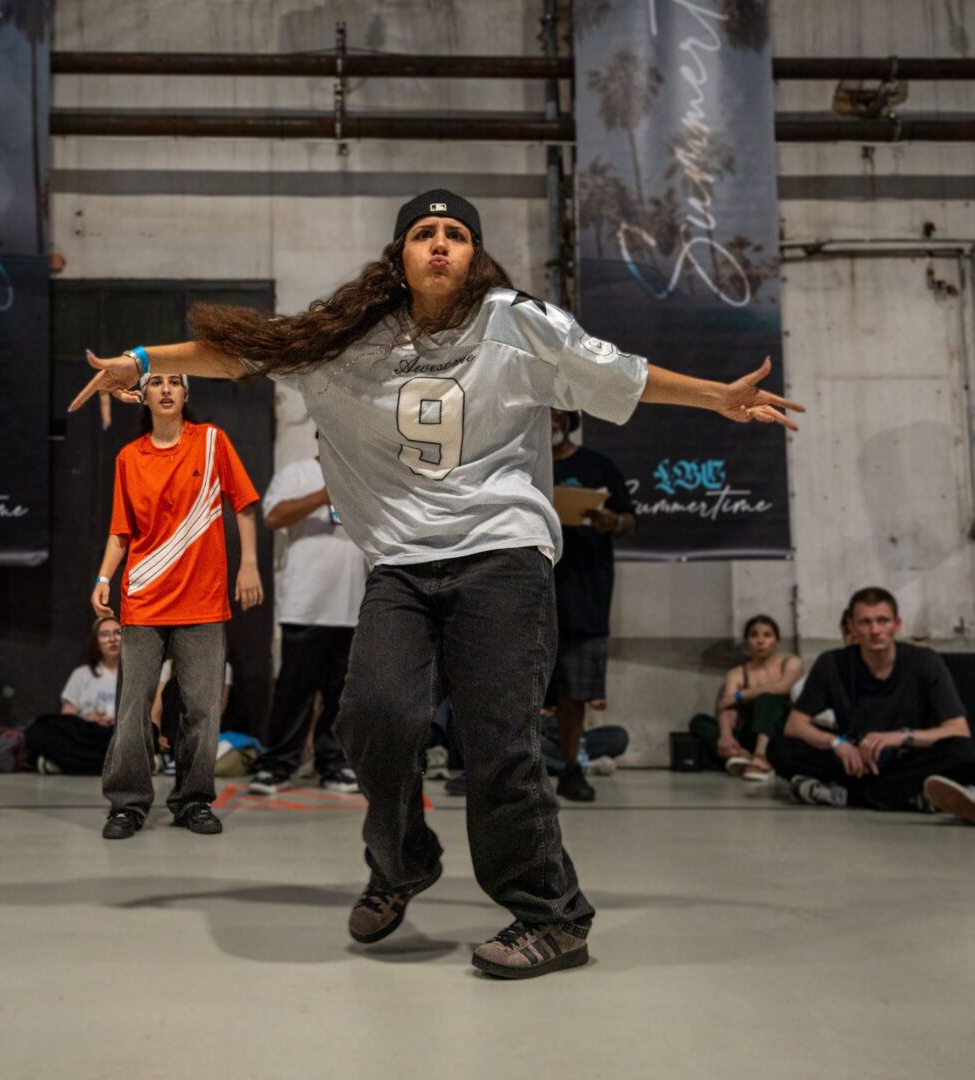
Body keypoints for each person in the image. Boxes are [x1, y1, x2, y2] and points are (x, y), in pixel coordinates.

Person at [70, 188, 802, 978]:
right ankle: (402, 863)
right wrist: (141, 362)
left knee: (497, 740)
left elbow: (616, 373)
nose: (441, 244)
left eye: (456, 233)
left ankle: (552, 916)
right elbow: (246, 354)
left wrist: (716, 396)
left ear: (475, 254)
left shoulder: (516, 322)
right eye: (425, 233)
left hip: (504, 553)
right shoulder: (349, 339)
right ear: (401, 255)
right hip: (403, 564)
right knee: (374, 718)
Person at [92, 371, 264, 840]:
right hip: (144, 599)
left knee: (202, 709)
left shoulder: (211, 442)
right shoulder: (130, 457)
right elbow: (120, 531)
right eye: (157, 383)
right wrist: (103, 578)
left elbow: (244, 503)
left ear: (186, 394)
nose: (166, 389)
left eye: (174, 382)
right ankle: (127, 804)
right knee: (133, 708)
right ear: (143, 396)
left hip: (203, 599)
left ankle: (193, 800)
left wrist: (249, 564)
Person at [766, 586, 975, 812]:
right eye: (865, 622)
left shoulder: (925, 661)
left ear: (896, 624)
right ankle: (902, 796)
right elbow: (795, 725)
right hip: (854, 762)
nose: (875, 630)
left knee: (962, 750)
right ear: (852, 627)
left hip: (908, 758)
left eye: (882, 621)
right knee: (779, 748)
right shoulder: (832, 663)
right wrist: (837, 744)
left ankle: (850, 796)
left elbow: (958, 730)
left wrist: (901, 737)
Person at [247, 452, 366, 795]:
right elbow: (273, 516)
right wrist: (323, 495)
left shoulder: (362, 473)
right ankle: (277, 765)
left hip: (352, 603)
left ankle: (334, 765)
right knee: (294, 692)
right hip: (305, 604)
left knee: (341, 696)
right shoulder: (297, 473)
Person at [548, 407, 636, 801]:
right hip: (529, 590)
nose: (551, 422)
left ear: (570, 420)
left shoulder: (598, 466)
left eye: (558, 415)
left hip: (584, 594)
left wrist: (611, 521)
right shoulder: (520, 463)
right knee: (518, 690)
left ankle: (571, 768)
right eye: (545, 413)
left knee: (575, 692)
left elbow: (630, 520)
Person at [689, 615, 803, 782]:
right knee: (699, 722)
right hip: (750, 735)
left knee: (767, 699)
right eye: (754, 635)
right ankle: (740, 754)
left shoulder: (791, 663)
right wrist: (726, 735)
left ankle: (761, 756)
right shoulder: (737, 673)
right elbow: (727, 706)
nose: (760, 641)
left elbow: (782, 687)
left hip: (779, 736)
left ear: (777, 641)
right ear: (746, 641)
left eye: (767, 635)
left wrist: (740, 695)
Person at [24, 617, 121, 775]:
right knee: (40, 728)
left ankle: (61, 765)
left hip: (117, 734)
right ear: (96, 642)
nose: (112, 639)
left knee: (132, 737)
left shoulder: (134, 676)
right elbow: (68, 717)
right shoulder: (82, 674)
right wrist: (89, 719)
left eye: (118, 633)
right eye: (105, 634)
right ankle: (127, 765)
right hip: (88, 735)